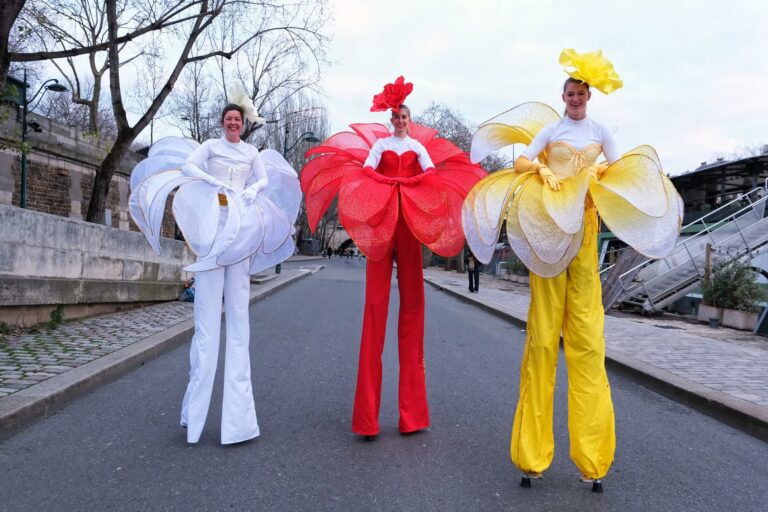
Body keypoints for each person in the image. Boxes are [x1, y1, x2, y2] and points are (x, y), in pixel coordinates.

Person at [463, 50, 682, 491]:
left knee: (586, 339)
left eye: (581, 93)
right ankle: (531, 454)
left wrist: (603, 173)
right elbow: (522, 160)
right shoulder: (553, 128)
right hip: (547, 236)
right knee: (542, 339)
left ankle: (593, 459)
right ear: (562, 96)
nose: (575, 98)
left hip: (583, 234)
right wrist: (541, 168)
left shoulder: (599, 131)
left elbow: (618, 171)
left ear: (589, 96)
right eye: (570, 92)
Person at [301, 76, 486, 439]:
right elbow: (367, 169)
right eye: (396, 116)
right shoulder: (382, 144)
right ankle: (367, 418)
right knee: (374, 307)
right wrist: (388, 184)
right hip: (384, 223)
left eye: (404, 116)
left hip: (409, 225)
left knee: (414, 307)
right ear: (391, 119)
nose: (400, 121)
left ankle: (412, 415)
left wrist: (410, 184)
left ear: (409, 119)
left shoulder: (417, 146)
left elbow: (432, 172)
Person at [129, 84, 301, 444]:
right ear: (222, 122)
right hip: (213, 230)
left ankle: (238, 423)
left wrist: (253, 190)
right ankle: (195, 415)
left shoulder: (252, 151)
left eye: (237, 119)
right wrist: (213, 181)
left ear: (243, 123)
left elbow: (263, 178)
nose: (233, 124)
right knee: (206, 327)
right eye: (228, 119)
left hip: (242, 233)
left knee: (239, 325)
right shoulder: (211, 147)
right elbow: (192, 166)